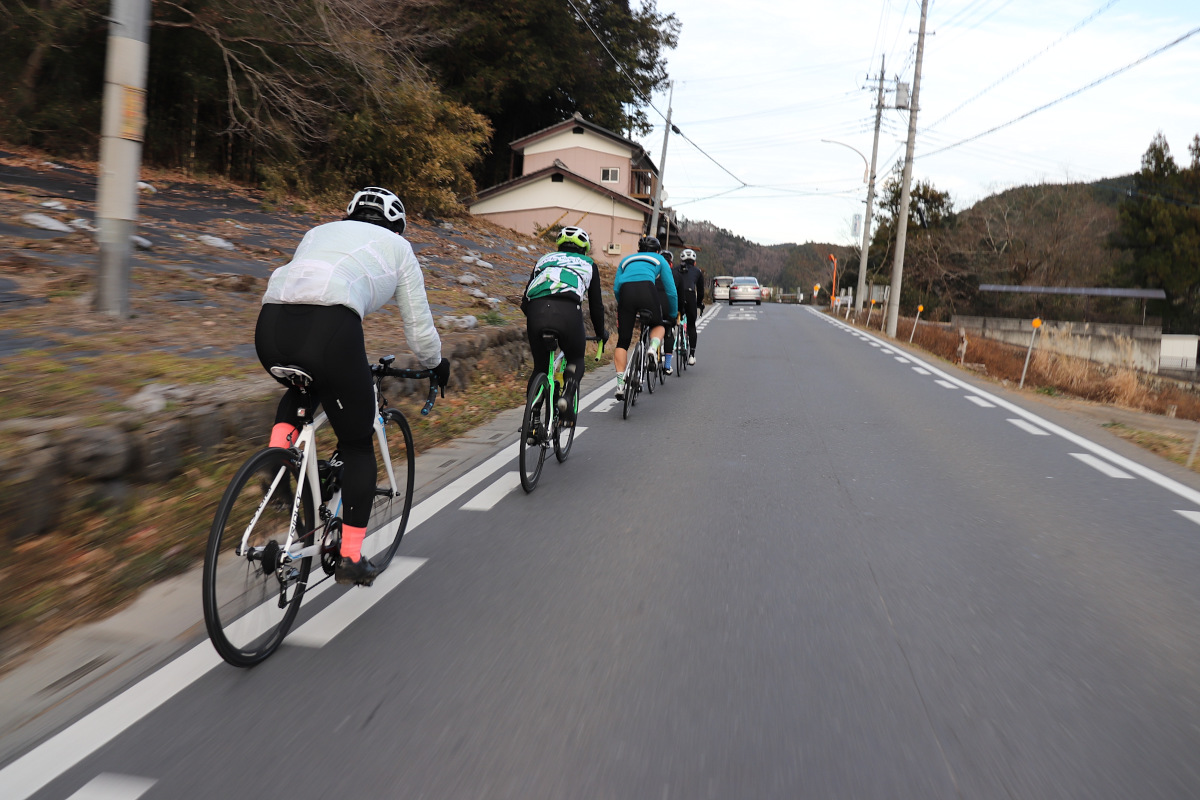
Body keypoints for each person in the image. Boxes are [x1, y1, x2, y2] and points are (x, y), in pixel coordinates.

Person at [255, 186, 450, 586]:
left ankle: (276, 464)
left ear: (348, 216)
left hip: (271, 324)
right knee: (359, 442)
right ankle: (350, 557)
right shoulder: (399, 248)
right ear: (399, 226)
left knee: (303, 387)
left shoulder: (318, 232)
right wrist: (436, 363)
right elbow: (418, 328)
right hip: (331, 328)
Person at [520, 226, 608, 427]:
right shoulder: (589, 263)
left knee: (540, 367)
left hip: (537, 311)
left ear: (559, 246)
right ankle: (567, 396)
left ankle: (533, 420)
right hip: (568, 311)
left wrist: (539, 321)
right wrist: (601, 332)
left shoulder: (544, 260)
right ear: (584, 248)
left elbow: (525, 301)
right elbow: (596, 306)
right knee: (576, 357)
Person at [612, 236, 677, 400]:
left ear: (639, 250)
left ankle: (620, 384)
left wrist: (624, 307)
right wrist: (673, 313)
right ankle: (652, 348)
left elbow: (616, 287)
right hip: (647, 290)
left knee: (623, 341)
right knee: (658, 325)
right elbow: (671, 291)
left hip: (626, 293)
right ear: (657, 250)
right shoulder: (660, 259)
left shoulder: (626, 260)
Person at [675, 248, 706, 366]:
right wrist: (699, 303)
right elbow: (701, 291)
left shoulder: (675, 270)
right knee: (691, 326)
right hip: (690, 295)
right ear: (694, 262)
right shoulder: (697, 272)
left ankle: (672, 333)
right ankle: (692, 355)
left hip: (677, 296)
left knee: (673, 321)